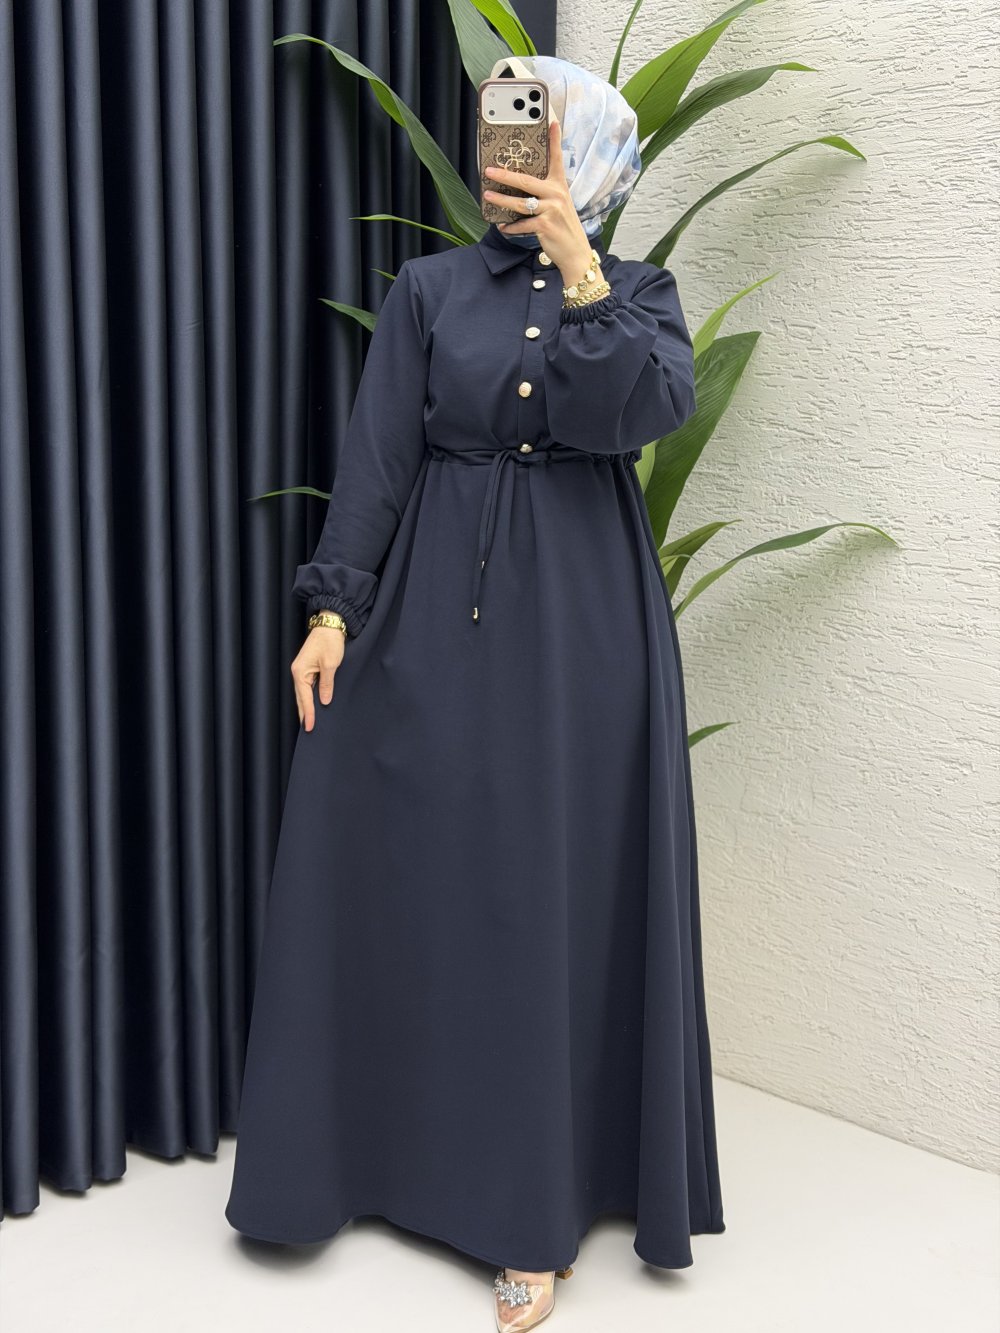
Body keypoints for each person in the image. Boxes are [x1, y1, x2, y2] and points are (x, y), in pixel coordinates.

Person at [225, 53, 725, 1332]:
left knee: (543, 896)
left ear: (589, 158)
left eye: (544, 138)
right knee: (414, 872)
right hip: (433, 605)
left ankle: (528, 1209)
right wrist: (332, 609)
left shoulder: (638, 295)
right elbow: (379, 454)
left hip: (583, 635)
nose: (516, 158)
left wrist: (577, 263)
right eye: (508, 133)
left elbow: (636, 414)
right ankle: (371, 1160)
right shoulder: (431, 290)